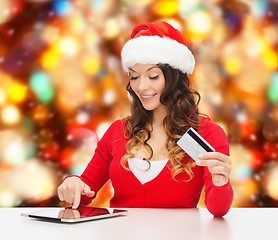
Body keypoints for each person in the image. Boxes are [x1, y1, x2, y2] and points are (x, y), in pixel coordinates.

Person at [57, 21, 233, 217]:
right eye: (134, 77)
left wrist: (220, 182)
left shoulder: (207, 133)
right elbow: (86, 188)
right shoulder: (118, 131)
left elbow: (218, 210)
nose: (141, 87)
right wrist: (73, 184)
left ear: (174, 77)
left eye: (153, 76)